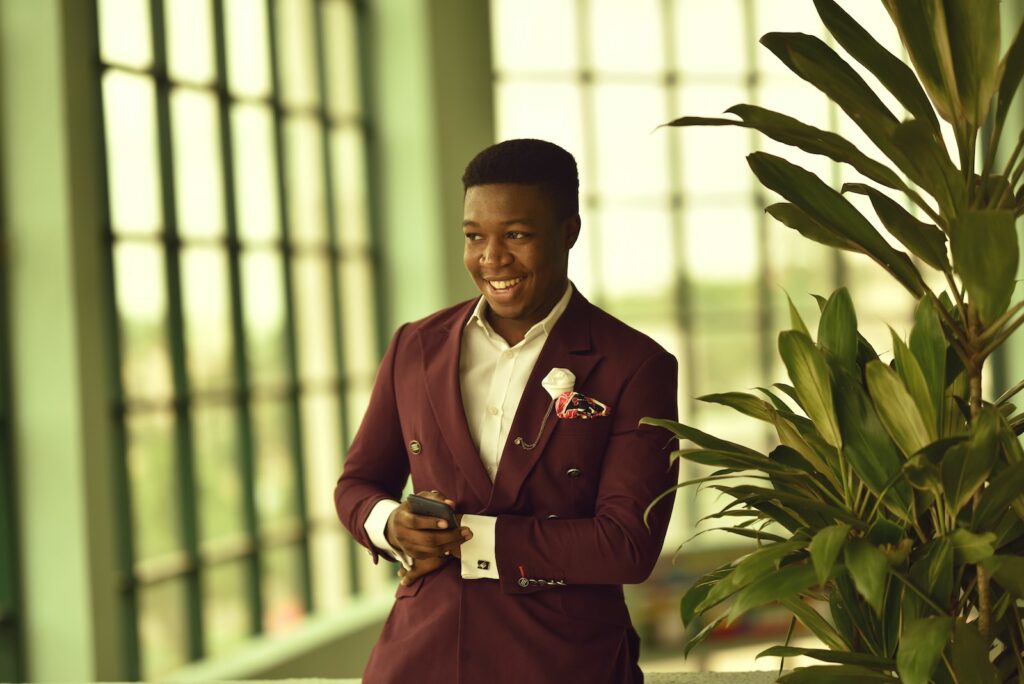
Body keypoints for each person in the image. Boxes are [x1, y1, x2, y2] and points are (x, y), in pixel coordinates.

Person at [334, 138, 678, 683]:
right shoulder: (416, 347)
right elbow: (357, 484)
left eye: (517, 235)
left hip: (565, 661)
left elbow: (628, 544)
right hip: (422, 654)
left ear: (569, 232)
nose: (492, 259)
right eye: (475, 237)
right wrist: (391, 524)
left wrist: (467, 540)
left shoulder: (636, 365)